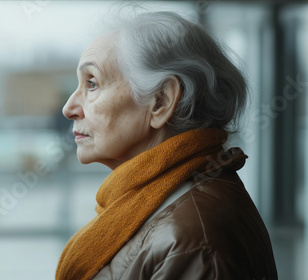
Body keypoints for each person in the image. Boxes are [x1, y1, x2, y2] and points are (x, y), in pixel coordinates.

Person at [56, 10, 278, 280]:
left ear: (161, 101)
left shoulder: (195, 240)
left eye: (92, 83)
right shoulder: (153, 204)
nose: (69, 108)